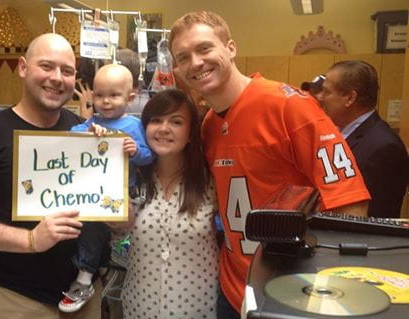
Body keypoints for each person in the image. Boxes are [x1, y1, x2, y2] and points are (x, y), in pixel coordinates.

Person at [169, 11, 371, 318]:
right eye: (183, 57)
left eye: (205, 48)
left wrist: (324, 290)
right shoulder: (208, 125)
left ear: (231, 48)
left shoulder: (290, 106)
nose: (195, 62)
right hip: (232, 288)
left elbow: (351, 206)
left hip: (290, 292)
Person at [0, 33, 102, 319]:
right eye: (46, 66)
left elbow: (104, 202)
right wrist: (30, 240)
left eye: (66, 71)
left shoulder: (85, 133)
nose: (57, 78)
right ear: (23, 67)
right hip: (13, 298)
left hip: (84, 297)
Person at [59, 64, 154, 313]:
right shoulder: (93, 122)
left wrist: (135, 151)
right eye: (99, 95)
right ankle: (97, 266)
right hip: (93, 191)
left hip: (123, 195)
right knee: (81, 225)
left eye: (113, 95)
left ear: (130, 97)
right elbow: (71, 135)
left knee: (93, 224)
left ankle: (83, 277)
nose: (105, 102)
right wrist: (89, 132)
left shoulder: (134, 126)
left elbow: (148, 157)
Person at [120, 89, 219, 318]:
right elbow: (119, 244)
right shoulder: (130, 177)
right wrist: (117, 227)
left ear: (191, 132)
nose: (164, 128)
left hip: (198, 307)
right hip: (139, 306)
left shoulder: (210, 181)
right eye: (156, 120)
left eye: (176, 121)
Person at [317, 60, 409, 218]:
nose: (320, 97)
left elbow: (374, 218)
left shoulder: (384, 147)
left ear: (350, 98)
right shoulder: (338, 133)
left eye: (326, 91)